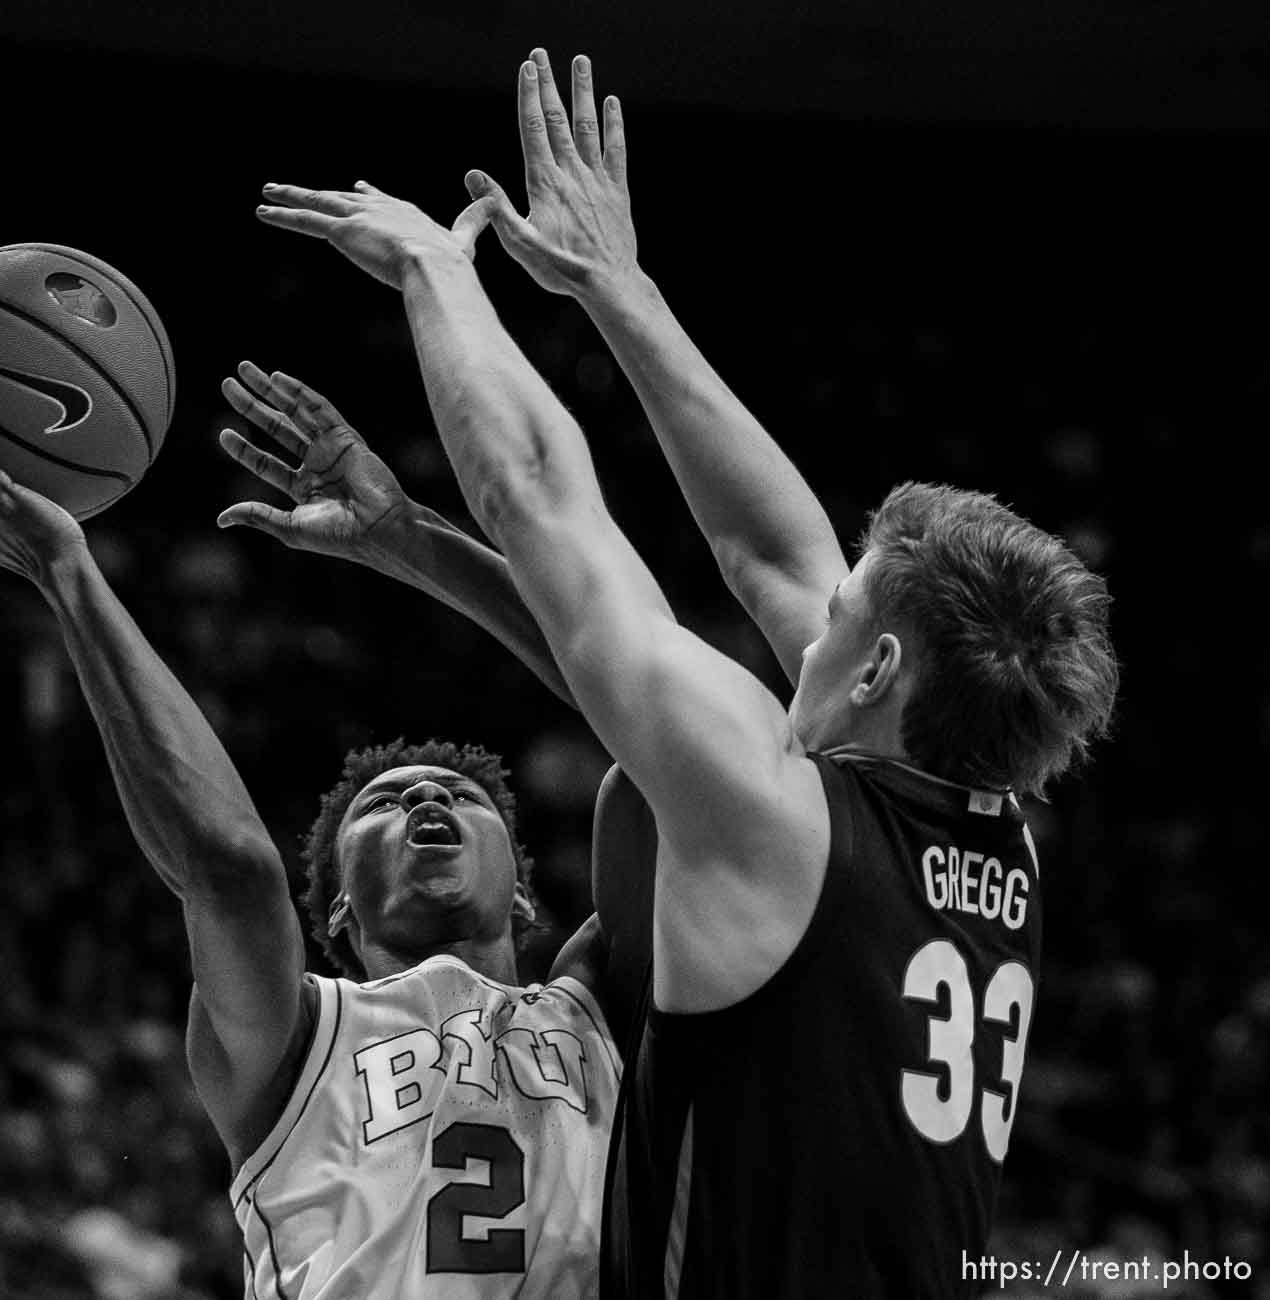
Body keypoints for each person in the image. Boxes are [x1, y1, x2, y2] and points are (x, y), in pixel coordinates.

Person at [255, 44, 1118, 1299]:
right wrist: (618, 290)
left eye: (837, 620)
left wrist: (442, 276)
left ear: (876, 671)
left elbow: (540, 493)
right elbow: (768, 547)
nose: (804, 625)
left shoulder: (781, 816)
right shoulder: (997, 831)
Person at [0, 381, 638, 1298]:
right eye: (386, 803)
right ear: (336, 907)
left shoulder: (597, 998)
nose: (429, 798)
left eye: (461, 795)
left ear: (523, 893)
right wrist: (65, 569)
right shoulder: (300, 1032)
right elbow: (232, 867)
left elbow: (655, 717)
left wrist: (410, 536)